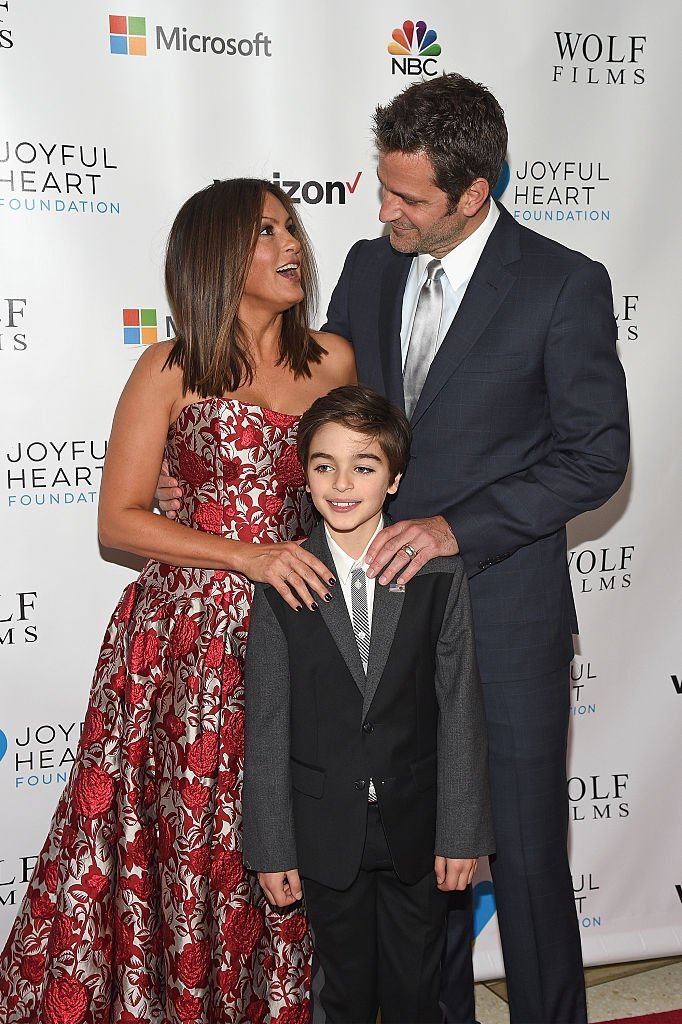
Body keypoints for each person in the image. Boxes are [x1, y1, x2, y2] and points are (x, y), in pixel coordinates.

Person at [155, 74, 629, 1022]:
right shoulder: (372, 268)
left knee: (526, 860)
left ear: (473, 192)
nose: (382, 212)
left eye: (408, 197)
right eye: (382, 187)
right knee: (419, 866)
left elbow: (597, 457)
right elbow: (323, 419)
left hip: (501, 612)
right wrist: (198, 479)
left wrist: (458, 527)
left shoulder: (562, 284)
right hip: (379, 628)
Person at [0, 178, 355, 1023]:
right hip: (182, 643)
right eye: (267, 233)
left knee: (283, 831)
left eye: (292, 227)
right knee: (190, 828)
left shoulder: (333, 359)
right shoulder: (168, 366)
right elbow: (120, 521)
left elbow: (352, 488)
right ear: (218, 255)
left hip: (299, 628)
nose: (292, 245)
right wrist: (247, 555)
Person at [242, 385, 494, 1024]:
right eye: (324, 465)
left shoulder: (436, 575)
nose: (342, 483)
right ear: (304, 477)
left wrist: (462, 832)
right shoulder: (282, 581)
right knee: (345, 996)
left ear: (395, 477)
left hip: (418, 830)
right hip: (326, 834)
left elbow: (459, 708)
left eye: (364, 465)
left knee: (416, 995)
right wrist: (273, 845)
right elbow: (267, 724)